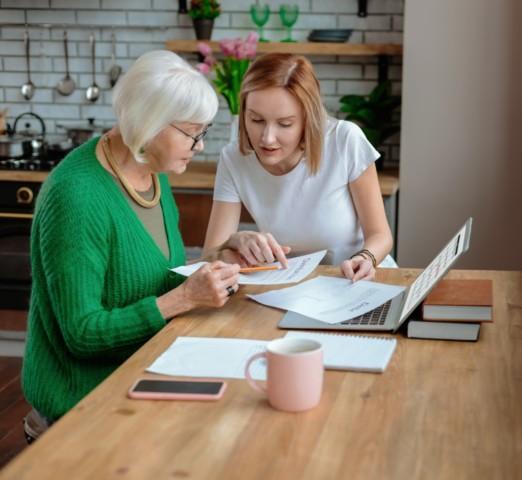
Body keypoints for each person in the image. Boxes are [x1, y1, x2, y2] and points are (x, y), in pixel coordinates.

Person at [22, 51, 242, 442]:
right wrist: (183, 299)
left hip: (142, 371)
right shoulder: (78, 196)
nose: (200, 146)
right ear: (152, 124)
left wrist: (222, 255)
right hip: (81, 403)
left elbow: (152, 273)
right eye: (193, 133)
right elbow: (82, 332)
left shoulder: (151, 172)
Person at [203, 53, 394, 282]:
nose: (267, 138)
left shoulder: (344, 140)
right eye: (256, 120)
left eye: (285, 124)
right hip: (289, 287)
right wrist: (235, 242)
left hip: (354, 282)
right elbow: (211, 255)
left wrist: (366, 257)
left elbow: (380, 234)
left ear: (308, 119)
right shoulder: (233, 158)